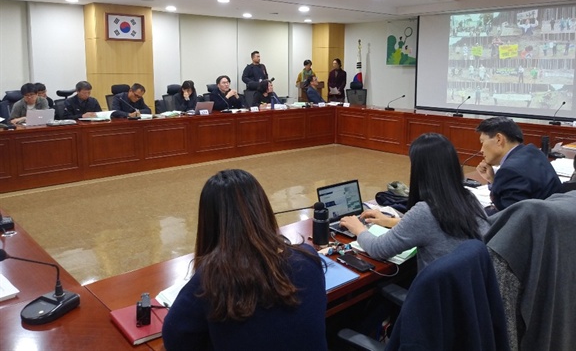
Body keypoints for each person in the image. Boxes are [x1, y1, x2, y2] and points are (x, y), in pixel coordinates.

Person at [161, 169, 327, 351]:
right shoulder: (308, 257)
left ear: (209, 223)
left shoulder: (210, 280)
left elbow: (174, 339)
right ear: (263, 209)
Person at [340, 133, 489, 272]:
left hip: (434, 296)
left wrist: (358, 228)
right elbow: (436, 226)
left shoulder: (425, 211)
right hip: (467, 290)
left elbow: (378, 249)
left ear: (421, 170)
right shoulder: (468, 198)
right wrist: (388, 221)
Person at [475, 116, 561, 212]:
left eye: (482, 142)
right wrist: (492, 180)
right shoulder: (532, 152)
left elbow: (509, 217)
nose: (481, 150)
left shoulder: (510, 170)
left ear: (499, 139)